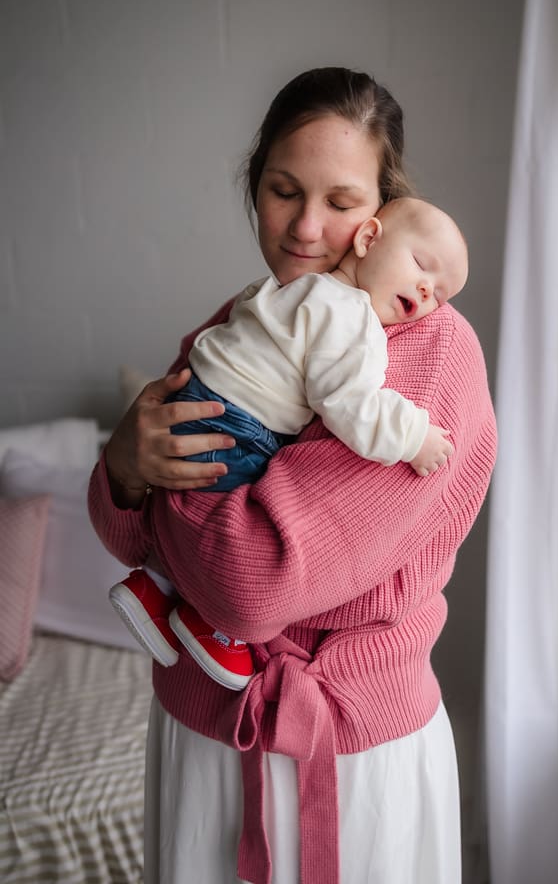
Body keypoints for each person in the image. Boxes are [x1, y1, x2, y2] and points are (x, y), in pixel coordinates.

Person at [88, 66, 497, 884]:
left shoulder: (422, 349)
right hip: (201, 728)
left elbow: (252, 583)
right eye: (282, 191)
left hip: (349, 747)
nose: (305, 228)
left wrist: (157, 480)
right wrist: (124, 468)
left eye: (341, 202)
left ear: (379, 213)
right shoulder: (247, 319)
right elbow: (120, 531)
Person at [108, 196, 469, 692]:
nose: (428, 293)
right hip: (233, 426)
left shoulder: (297, 288)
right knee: (219, 528)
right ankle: (213, 627)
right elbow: (348, 403)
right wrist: (412, 437)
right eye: (422, 266)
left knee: (190, 504)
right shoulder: (351, 317)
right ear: (368, 238)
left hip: (201, 398)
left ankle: (154, 586)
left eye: (442, 295)